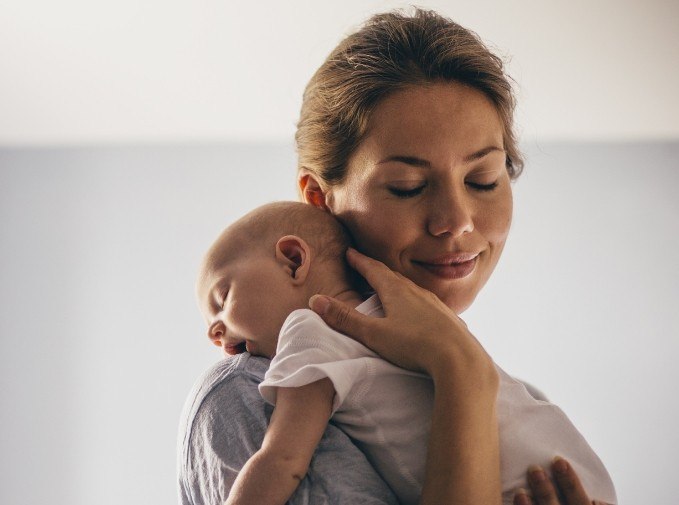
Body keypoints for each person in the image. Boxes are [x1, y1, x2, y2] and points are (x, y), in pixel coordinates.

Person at [178, 8, 614, 505]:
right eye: (407, 187)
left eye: (483, 180)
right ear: (320, 198)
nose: (455, 220)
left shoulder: (518, 407)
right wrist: (460, 373)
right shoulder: (247, 394)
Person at [194, 201, 616, 505]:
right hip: (575, 473)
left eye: (223, 297)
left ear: (292, 260)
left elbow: (283, 458)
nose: (215, 331)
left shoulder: (310, 330)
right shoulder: (420, 321)